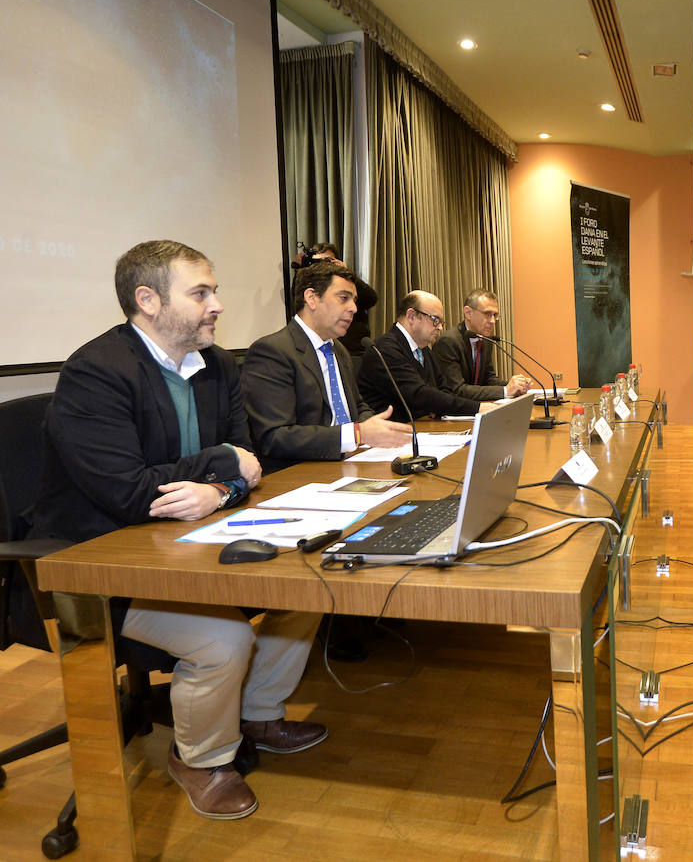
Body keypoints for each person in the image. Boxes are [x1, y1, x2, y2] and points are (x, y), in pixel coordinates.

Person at [29, 240, 322, 821]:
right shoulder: (96, 374)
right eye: (201, 293)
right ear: (148, 300)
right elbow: (131, 492)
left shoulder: (218, 365)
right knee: (225, 641)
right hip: (100, 565)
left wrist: (221, 489)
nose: (218, 304)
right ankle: (201, 758)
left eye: (214, 290)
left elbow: (251, 462)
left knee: (310, 587)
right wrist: (221, 466)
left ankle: (257, 714)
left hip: (190, 538)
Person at [242, 261, 413, 472]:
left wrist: (377, 427)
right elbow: (275, 437)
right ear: (312, 298)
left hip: (348, 463)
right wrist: (358, 433)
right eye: (343, 298)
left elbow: (356, 407)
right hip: (299, 474)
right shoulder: (272, 351)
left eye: (354, 300)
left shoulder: (338, 349)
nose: (354, 308)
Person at [358, 291, 485, 420]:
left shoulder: (424, 350)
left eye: (441, 322)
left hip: (421, 428)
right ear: (411, 316)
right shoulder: (385, 349)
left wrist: (438, 407)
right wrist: (477, 408)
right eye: (435, 320)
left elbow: (444, 389)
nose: (440, 327)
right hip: (390, 433)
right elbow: (418, 394)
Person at [432, 289, 532, 401]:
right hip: (451, 413)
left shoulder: (485, 339)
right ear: (468, 313)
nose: (493, 321)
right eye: (487, 314)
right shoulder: (448, 342)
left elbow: (488, 379)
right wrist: (505, 390)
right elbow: (456, 390)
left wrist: (515, 386)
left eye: (495, 315)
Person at [298, 242, 378, 355]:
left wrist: (347, 274)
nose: (353, 308)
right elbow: (297, 303)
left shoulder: (350, 284)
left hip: (352, 348)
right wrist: (300, 270)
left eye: (329, 261)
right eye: (343, 298)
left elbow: (371, 298)